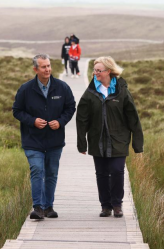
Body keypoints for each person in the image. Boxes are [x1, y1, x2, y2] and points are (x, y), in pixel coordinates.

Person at [76, 56, 143, 218]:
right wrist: (81, 143)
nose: (95, 73)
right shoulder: (90, 92)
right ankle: (105, 206)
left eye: (99, 70)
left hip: (119, 139)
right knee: (102, 173)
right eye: (94, 70)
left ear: (109, 71)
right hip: (97, 140)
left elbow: (133, 118)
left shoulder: (122, 91)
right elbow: (82, 118)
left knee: (117, 170)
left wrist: (137, 144)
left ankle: (117, 204)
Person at [12, 54, 76, 219]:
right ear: (35, 69)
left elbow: (70, 107)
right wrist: (32, 121)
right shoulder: (25, 89)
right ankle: (38, 207)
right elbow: (17, 111)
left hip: (55, 140)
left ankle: (49, 207)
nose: (47, 69)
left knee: (51, 173)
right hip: (32, 140)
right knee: (37, 170)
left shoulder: (62, 88)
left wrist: (60, 122)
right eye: (43, 67)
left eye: (48, 66)